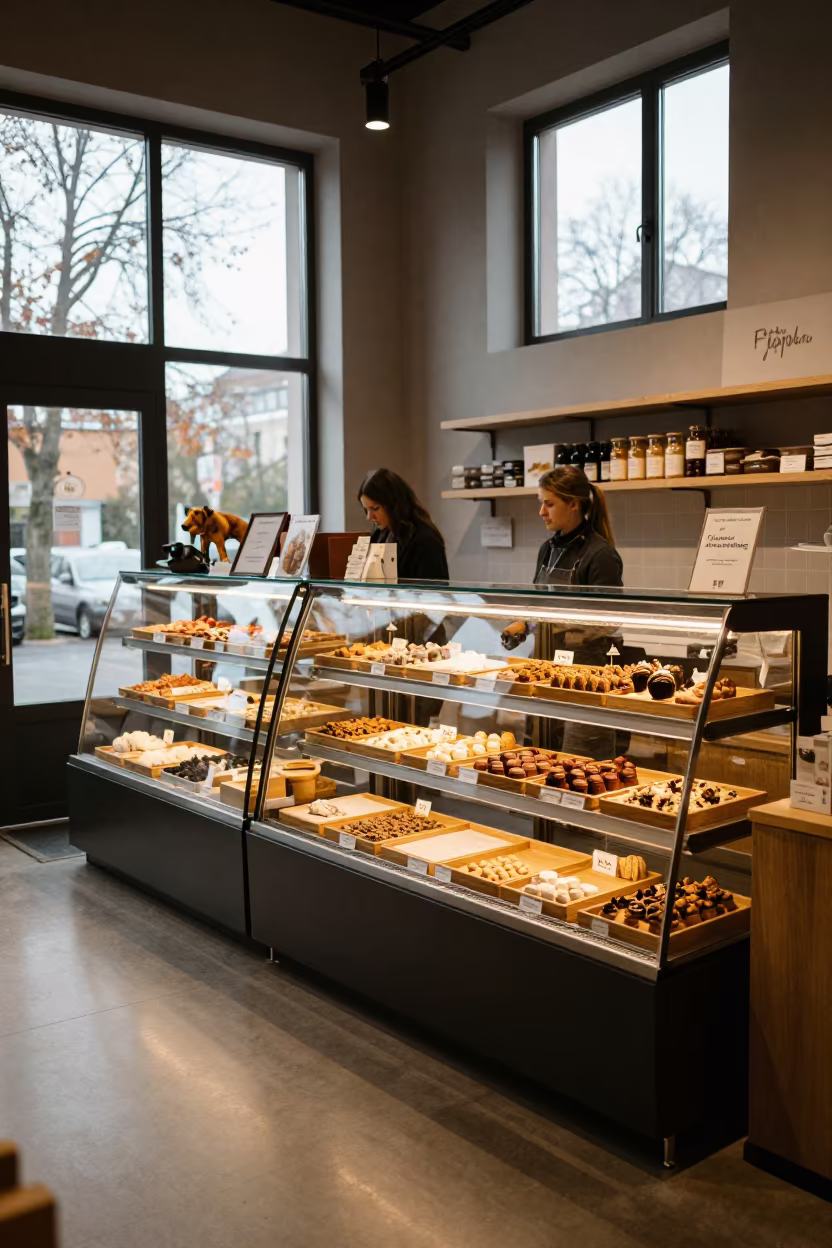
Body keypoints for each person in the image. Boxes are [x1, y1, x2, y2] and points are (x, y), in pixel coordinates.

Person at [501, 465, 624, 760]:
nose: (542, 511)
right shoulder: (548, 549)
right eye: (541, 503)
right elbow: (541, 607)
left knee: (579, 761)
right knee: (539, 754)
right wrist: (524, 624)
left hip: (585, 676)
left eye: (549, 503)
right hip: (546, 670)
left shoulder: (600, 555)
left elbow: (603, 623)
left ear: (574, 504)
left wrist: (547, 623)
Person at [359, 468, 449, 581]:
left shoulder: (425, 539)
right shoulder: (379, 535)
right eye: (366, 510)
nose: (369, 517)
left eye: (375, 509)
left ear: (393, 504)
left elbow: (432, 591)